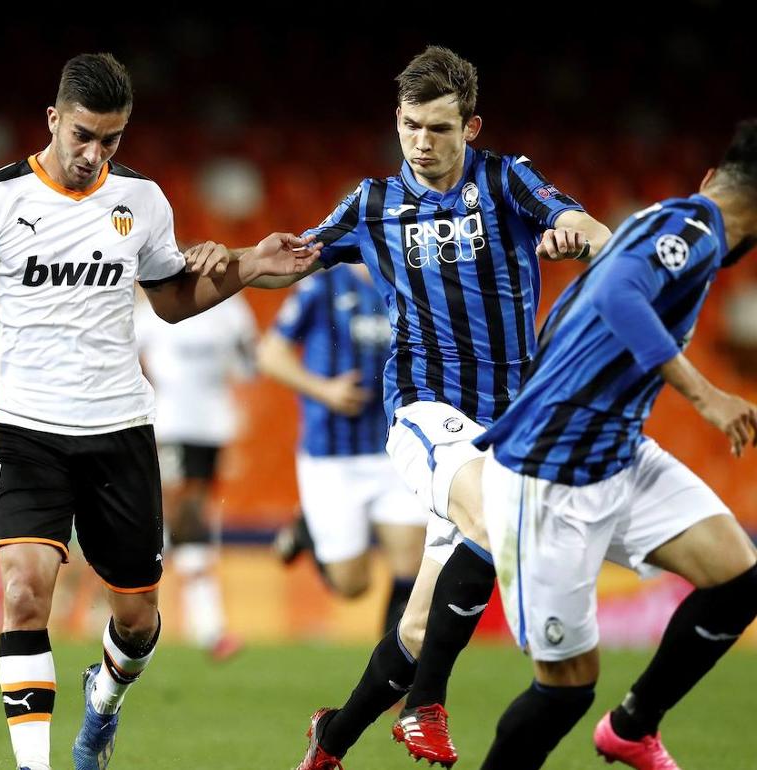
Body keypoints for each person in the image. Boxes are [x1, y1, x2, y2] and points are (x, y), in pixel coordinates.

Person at [0, 53, 317, 770]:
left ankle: (103, 702)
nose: (94, 154)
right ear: (53, 119)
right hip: (26, 432)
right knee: (25, 592)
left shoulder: (142, 201)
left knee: (139, 621)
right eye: (82, 135)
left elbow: (174, 301)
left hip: (120, 431)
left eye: (110, 140)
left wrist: (249, 264)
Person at [237, 46, 613, 769]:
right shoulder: (373, 203)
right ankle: (426, 707)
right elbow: (288, 263)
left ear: (471, 127)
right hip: (422, 408)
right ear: (397, 121)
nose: (422, 141)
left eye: (440, 128)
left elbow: (589, 228)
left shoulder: (507, 181)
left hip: (506, 422)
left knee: (418, 623)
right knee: (497, 516)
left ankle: (330, 740)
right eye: (411, 125)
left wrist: (578, 238)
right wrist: (227, 261)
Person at [475, 119, 757, 770]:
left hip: (616, 453)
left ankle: (632, 726)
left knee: (740, 580)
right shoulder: (695, 225)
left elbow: (587, 298)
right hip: (552, 471)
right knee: (565, 691)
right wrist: (707, 395)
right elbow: (613, 291)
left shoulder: (679, 228)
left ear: (712, 176)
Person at [258, 264, 426, 635]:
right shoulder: (322, 285)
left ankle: (394, 681)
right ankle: (308, 530)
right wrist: (324, 390)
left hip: (397, 449)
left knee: (411, 567)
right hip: (332, 457)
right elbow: (270, 353)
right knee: (353, 585)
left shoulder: (413, 283)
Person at [135, 293, 257, 661]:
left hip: (212, 429)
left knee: (178, 522)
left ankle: (116, 604)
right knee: (183, 515)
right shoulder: (155, 310)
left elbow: (251, 363)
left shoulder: (232, 309)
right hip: (169, 426)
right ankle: (208, 627)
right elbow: (121, 355)